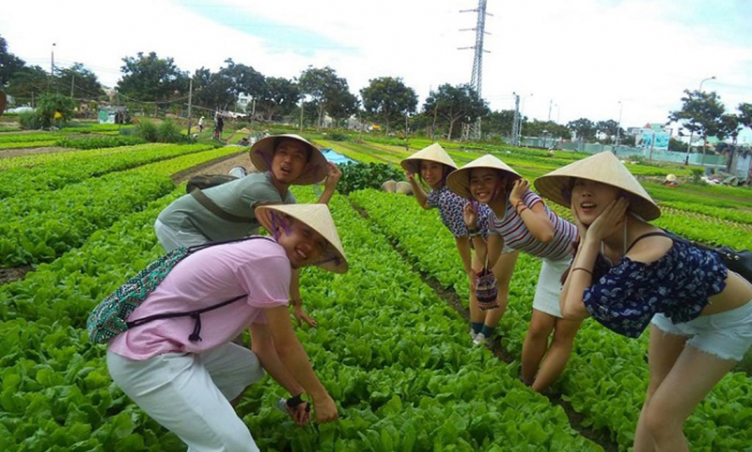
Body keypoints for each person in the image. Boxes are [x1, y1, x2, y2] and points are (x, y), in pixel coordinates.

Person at [535, 151, 752, 452]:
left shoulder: (650, 250)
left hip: (731, 317)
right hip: (676, 307)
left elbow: (573, 309)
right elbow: (566, 302)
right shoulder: (599, 238)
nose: (584, 191)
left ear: (622, 197)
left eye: (597, 184)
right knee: (654, 396)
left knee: (662, 420)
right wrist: (588, 241)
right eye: (578, 184)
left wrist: (591, 239)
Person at [106, 203, 348, 452]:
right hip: (148, 356)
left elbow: (263, 348)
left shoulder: (261, 250)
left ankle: (201, 422)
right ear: (283, 224)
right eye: (306, 233)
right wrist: (320, 396)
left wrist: (298, 394)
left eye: (320, 245)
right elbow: (286, 346)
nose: (309, 246)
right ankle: (209, 431)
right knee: (233, 447)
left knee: (245, 366)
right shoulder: (271, 260)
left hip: (157, 345)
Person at [155, 134, 341, 327]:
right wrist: (327, 191)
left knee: (225, 282)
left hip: (212, 233)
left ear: (305, 168)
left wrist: (297, 303)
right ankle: (174, 326)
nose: (288, 160)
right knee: (214, 282)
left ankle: (217, 332)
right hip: (181, 224)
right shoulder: (259, 188)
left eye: (298, 157)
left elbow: (294, 253)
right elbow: (300, 237)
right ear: (272, 158)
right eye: (282, 152)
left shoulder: (287, 200)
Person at [447, 155, 580, 392]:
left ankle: (536, 391)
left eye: (488, 179)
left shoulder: (527, 199)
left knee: (562, 333)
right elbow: (489, 259)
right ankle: (527, 384)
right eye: (475, 181)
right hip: (554, 261)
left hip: (582, 256)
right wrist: (472, 227)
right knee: (539, 327)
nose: (480, 186)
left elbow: (546, 233)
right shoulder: (494, 219)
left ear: (503, 181)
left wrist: (518, 201)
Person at [402, 144, 506, 345]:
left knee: (494, 286)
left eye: (434, 167)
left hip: (501, 238)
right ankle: (476, 330)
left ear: (445, 170)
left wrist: (468, 270)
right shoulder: (441, 191)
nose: (428, 173)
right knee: (478, 286)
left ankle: (486, 333)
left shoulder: (449, 196)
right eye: (424, 168)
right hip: (480, 239)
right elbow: (425, 204)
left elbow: (460, 237)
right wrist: (413, 182)